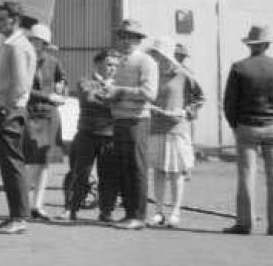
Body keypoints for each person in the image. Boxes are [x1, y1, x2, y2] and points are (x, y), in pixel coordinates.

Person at [221, 24, 273, 236]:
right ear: (267, 45)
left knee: (246, 176)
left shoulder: (239, 67)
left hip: (247, 127)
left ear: (250, 45)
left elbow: (229, 102)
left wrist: (235, 124)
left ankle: (245, 223)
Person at [0, 1, 36, 235]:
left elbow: (20, 84)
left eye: (2, 19)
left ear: (14, 21)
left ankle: (19, 217)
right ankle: (15, 215)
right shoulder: (11, 44)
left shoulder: (17, 46)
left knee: (13, 166)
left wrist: (5, 109)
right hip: (8, 111)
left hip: (10, 113)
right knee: (9, 166)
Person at [103, 18, 158, 230]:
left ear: (138, 40)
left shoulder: (146, 62)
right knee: (124, 167)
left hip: (137, 121)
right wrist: (108, 94)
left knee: (137, 167)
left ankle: (138, 215)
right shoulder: (121, 62)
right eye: (123, 36)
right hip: (120, 119)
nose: (126, 41)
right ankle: (129, 213)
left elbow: (150, 94)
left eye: (131, 37)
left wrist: (120, 91)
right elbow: (117, 90)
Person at [144, 36, 201, 228]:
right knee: (158, 171)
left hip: (176, 129)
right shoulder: (151, 73)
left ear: (167, 56)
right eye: (153, 54)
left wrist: (185, 112)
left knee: (176, 172)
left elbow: (199, 98)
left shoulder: (183, 74)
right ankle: (158, 212)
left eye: (158, 55)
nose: (156, 58)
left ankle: (176, 211)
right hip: (155, 128)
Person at [65, 48, 120, 220]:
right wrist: (114, 99)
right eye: (109, 64)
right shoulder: (84, 81)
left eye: (115, 66)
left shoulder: (119, 85)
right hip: (87, 134)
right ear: (98, 63)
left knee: (108, 176)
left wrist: (112, 96)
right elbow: (90, 97)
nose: (113, 68)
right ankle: (71, 209)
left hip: (110, 136)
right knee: (80, 173)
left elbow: (107, 100)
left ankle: (106, 211)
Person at [22, 23, 69, 221]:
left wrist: (63, 94)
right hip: (33, 115)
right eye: (32, 40)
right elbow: (24, 89)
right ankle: (21, 203)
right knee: (33, 162)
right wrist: (49, 97)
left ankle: (37, 205)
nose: (34, 44)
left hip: (50, 116)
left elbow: (63, 81)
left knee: (45, 163)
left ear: (44, 43)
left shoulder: (53, 62)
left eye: (38, 41)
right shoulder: (24, 61)